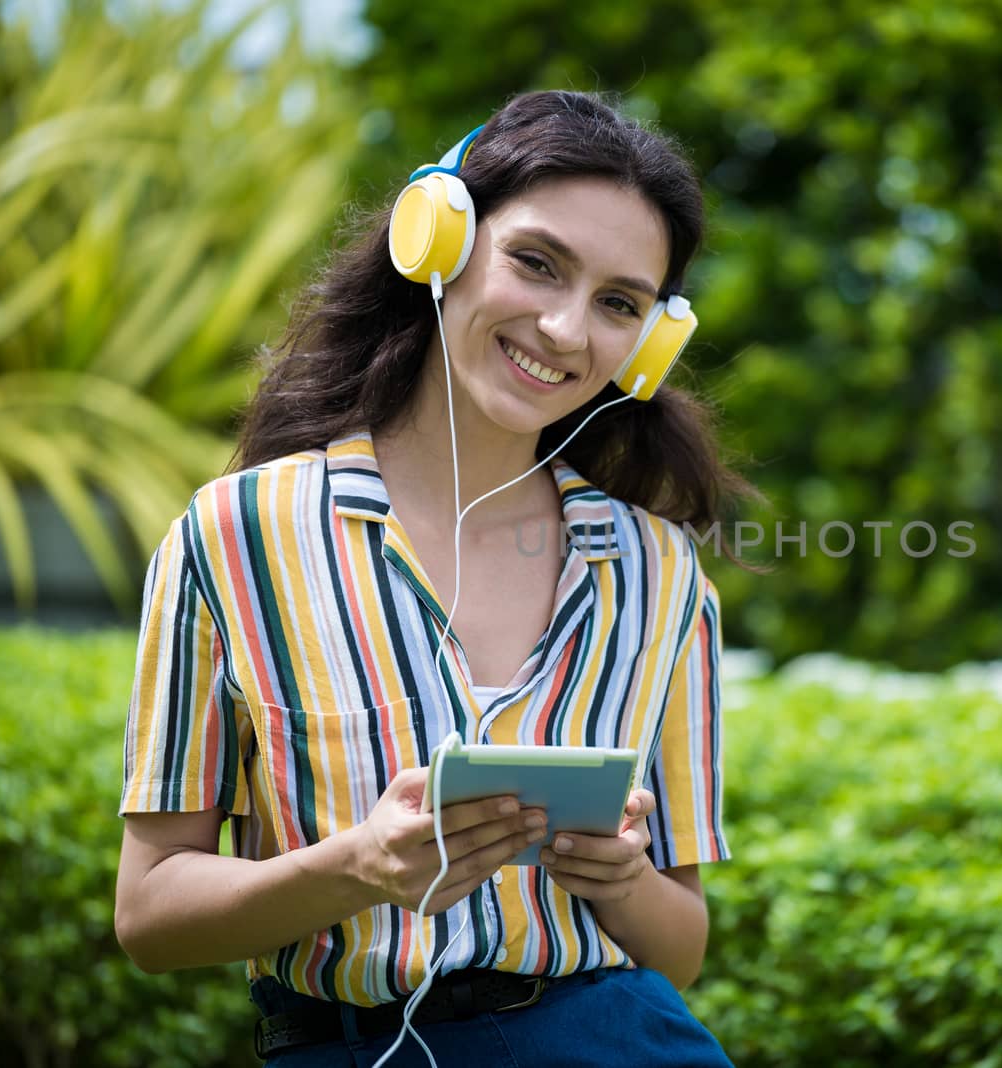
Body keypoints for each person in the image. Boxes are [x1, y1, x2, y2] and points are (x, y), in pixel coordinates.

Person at [114, 89, 756, 1066]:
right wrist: (355, 869)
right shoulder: (235, 535)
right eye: (536, 263)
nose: (565, 329)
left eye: (618, 303)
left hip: (619, 1039)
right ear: (438, 241)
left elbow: (682, 946)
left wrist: (618, 876)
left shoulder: (661, 575)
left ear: (650, 342)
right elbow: (151, 914)